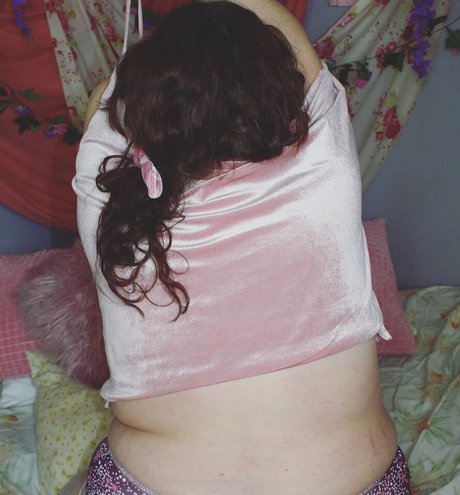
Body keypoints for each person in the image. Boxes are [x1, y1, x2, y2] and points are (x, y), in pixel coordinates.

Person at [72, 1, 412, 493]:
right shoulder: (321, 166)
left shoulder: (110, 203)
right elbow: (298, 49)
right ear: (276, 86)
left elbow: (102, 105)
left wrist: (151, 65)